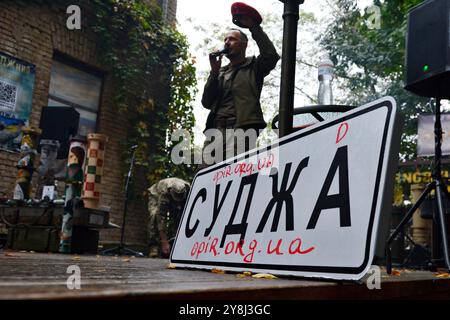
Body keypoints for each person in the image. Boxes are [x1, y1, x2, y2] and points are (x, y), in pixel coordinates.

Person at [200, 9, 279, 168]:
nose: (227, 42)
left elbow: (271, 56)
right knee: (203, 176)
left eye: (232, 39)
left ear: (244, 44)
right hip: (215, 133)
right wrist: (214, 72)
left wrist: (254, 28)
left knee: (234, 175)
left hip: (240, 131)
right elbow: (207, 102)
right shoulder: (220, 73)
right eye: (225, 39)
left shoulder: (253, 67)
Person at [147, 177, 190, 258]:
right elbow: (161, 216)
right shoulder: (165, 192)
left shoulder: (189, 189)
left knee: (179, 216)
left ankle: (175, 244)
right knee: (154, 215)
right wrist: (164, 241)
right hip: (155, 195)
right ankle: (154, 246)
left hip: (172, 197)